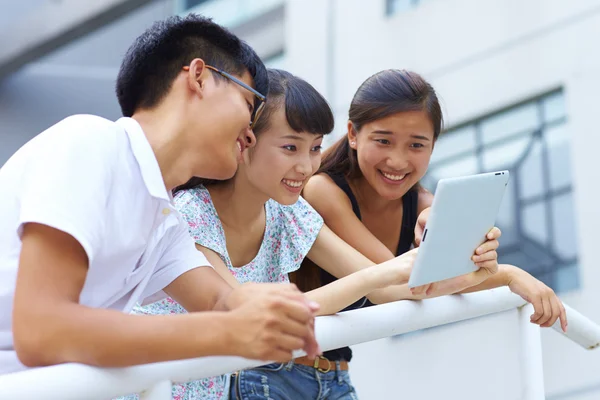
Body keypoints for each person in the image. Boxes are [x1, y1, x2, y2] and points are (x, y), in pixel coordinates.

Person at [131, 69, 502, 400]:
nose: (306, 166)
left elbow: (386, 291)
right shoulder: (192, 212)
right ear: (245, 141)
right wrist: (384, 271)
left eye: (315, 148)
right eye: (290, 147)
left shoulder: (288, 212)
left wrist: (474, 275)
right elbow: (245, 311)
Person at [0, 14, 321, 377]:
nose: (250, 135)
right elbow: (42, 330)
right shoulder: (90, 143)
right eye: (249, 105)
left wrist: (275, 304)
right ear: (199, 77)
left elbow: (220, 300)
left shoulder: (164, 217)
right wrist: (230, 332)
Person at [300, 69, 568, 376]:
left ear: (432, 145)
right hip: (273, 372)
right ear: (353, 135)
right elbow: (392, 283)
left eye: (416, 145)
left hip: (335, 374)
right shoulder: (322, 190)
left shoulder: (425, 205)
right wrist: (505, 275)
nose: (398, 161)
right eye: (383, 140)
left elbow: (449, 279)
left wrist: (481, 261)